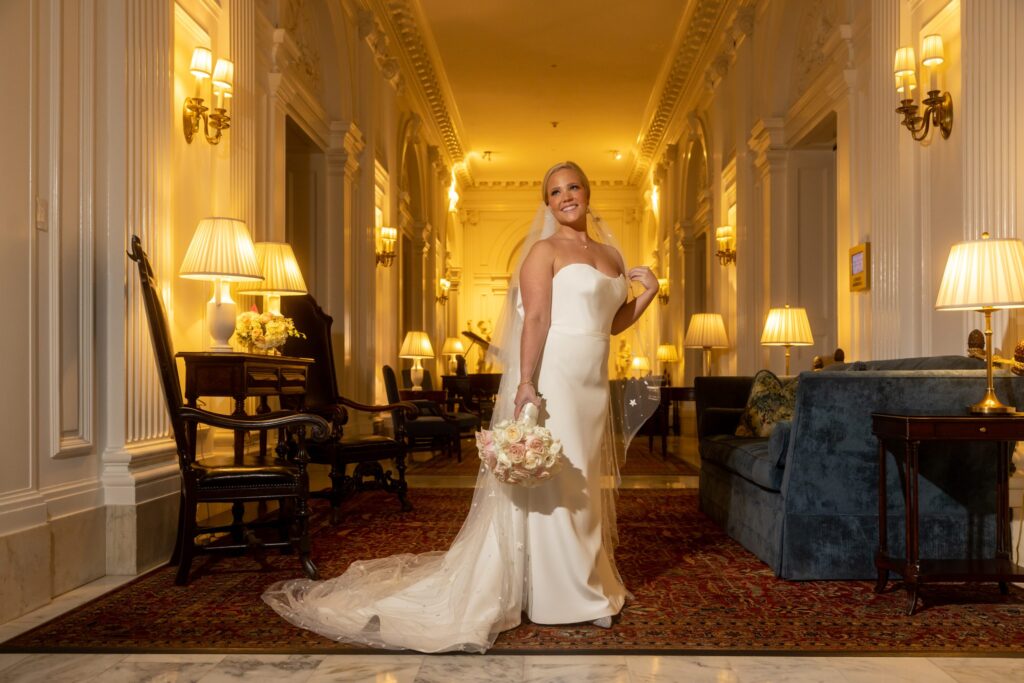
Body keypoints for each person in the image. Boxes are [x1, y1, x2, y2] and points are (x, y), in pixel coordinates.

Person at [262, 161, 659, 653]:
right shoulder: (543, 251)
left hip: (593, 380)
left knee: (585, 477)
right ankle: (565, 596)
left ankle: (583, 581)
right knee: (560, 480)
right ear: (547, 204)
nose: (566, 197)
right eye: (555, 192)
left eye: (573, 186)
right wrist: (527, 382)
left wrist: (648, 294)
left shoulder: (612, 255)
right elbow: (536, 318)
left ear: (587, 190)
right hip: (557, 374)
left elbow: (612, 322)